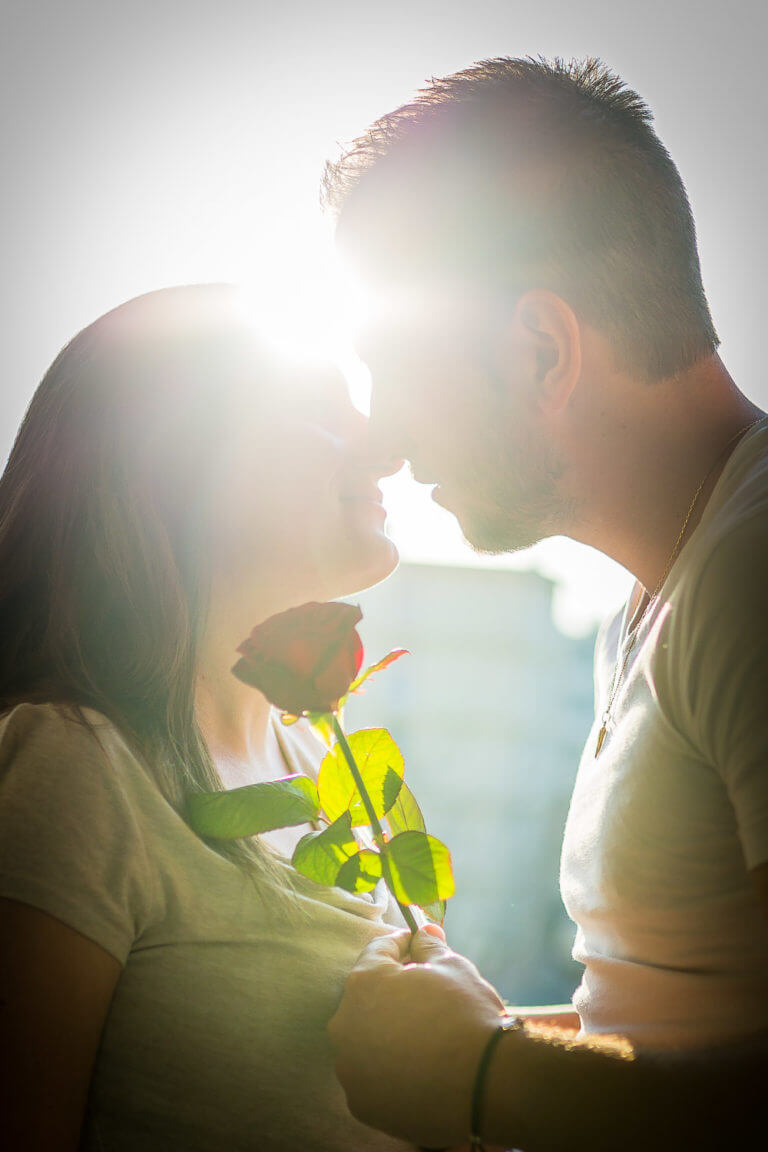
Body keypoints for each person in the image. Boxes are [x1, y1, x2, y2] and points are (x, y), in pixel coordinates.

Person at [323, 57, 768, 1151]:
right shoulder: (662, 593)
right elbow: (676, 1031)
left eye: (396, 366)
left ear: (540, 349)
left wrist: (483, 1072)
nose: (381, 437)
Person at [0, 283, 423, 1151]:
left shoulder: (326, 764)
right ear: (168, 461)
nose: (387, 445)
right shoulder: (72, 771)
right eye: (318, 411)